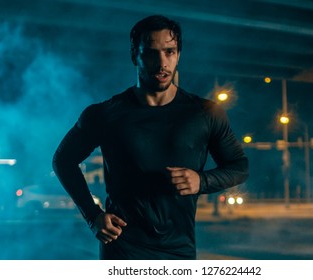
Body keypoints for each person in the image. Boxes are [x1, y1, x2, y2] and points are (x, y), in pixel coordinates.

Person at [52, 14, 249, 260]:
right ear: (135, 56)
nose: (161, 63)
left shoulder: (205, 113)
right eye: (151, 53)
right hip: (122, 249)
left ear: (179, 55)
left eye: (170, 52)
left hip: (179, 251)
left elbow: (239, 166)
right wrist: (93, 216)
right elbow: (63, 160)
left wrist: (202, 181)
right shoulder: (105, 114)